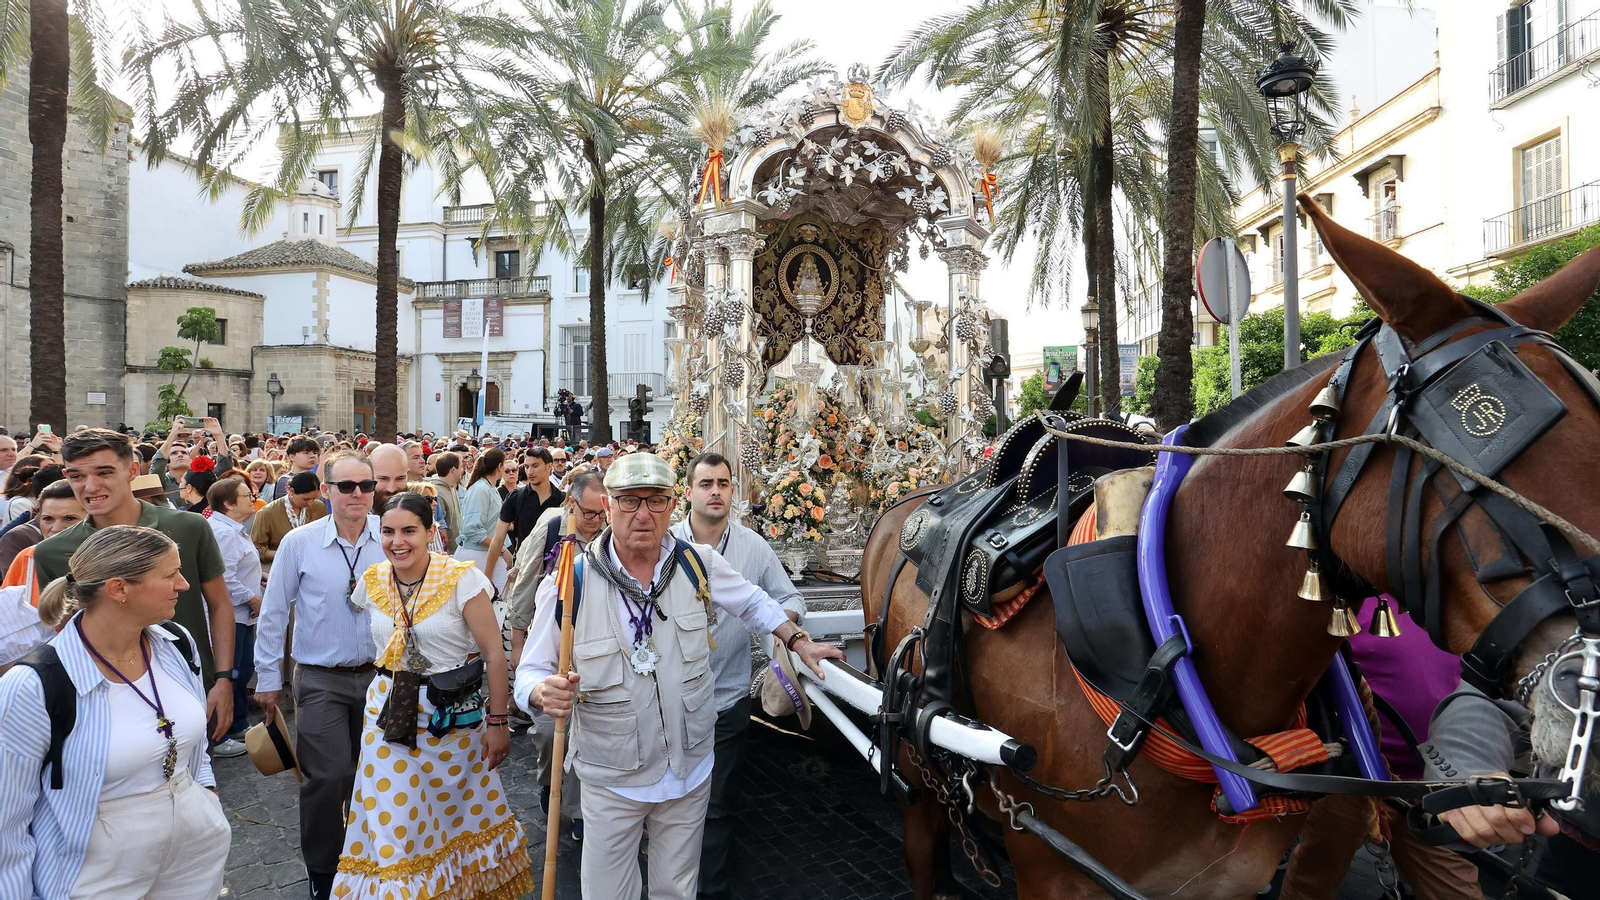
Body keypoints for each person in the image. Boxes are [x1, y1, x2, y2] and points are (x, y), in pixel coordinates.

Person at [515, 453, 843, 900]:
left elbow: (754, 602)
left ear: (673, 505)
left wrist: (799, 641)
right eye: (629, 501)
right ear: (608, 506)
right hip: (612, 776)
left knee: (678, 890)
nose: (643, 514)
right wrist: (539, 691)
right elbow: (530, 671)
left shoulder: (697, 564)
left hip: (690, 768)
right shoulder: (570, 582)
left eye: (656, 501)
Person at [0, 526, 232, 898]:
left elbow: (191, 740)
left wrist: (203, 792)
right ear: (119, 588)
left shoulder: (176, 644)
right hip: (96, 875)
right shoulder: (33, 686)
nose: (184, 584)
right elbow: (7, 824)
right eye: (170, 575)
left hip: (195, 859)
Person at [332, 492, 532, 900]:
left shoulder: (461, 579)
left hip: (450, 719)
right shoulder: (372, 581)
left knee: (454, 821)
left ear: (430, 532)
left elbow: (494, 655)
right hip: (388, 714)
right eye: (388, 532)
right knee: (396, 820)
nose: (397, 542)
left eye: (409, 530)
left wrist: (498, 722)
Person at [35, 429, 235, 740]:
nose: (90, 486)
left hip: (191, 682)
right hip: (106, 701)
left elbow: (219, 603)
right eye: (77, 476)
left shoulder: (189, 527)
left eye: (104, 472)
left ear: (131, 471)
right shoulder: (51, 552)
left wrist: (223, 678)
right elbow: (69, 632)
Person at [668, 452, 805, 900]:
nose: (715, 492)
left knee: (719, 805)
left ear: (733, 491)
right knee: (667, 800)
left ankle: (712, 890)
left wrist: (779, 625)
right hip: (668, 699)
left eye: (723, 484)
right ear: (688, 491)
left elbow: (789, 598)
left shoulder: (752, 547)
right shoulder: (666, 544)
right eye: (705, 483)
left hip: (726, 698)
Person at [254, 450, 382, 900]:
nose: (357, 494)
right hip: (320, 677)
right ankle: (324, 871)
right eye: (346, 486)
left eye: (366, 485)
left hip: (382, 678)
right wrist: (268, 679)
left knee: (377, 774)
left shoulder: (392, 536)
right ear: (326, 491)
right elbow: (274, 612)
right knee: (328, 778)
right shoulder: (299, 542)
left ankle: (375, 859)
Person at [506, 468, 607, 830]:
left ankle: (580, 811)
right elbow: (524, 584)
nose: (595, 520)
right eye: (589, 512)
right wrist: (518, 643)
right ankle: (550, 782)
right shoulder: (552, 529)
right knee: (551, 731)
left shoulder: (611, 536)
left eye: (602, 512)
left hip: (594, 647)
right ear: (572, 503)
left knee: (590, 729)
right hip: (551, 640)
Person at [207, 477, 263, 758]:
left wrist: (259, 577)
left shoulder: (232, 529)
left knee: (243, 668)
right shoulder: (225, 533)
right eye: (246, 495)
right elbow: (224, 578)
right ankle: (223, 732)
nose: (252, 499)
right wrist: (251, 597)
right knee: (232, 672)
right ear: (228, 504)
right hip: (233, 614)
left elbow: (239, 568)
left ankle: (239, 722)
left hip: (241, 614)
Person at [484, 447, 563, 593]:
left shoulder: (562, 500)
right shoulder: (515, 497)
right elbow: (498, 539)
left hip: (555, 572)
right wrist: (487, 577)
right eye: (526, 466)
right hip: (523, 569)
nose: (530, 471)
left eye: (535, 465)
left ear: (549, 466)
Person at [2, 480, 87, 604]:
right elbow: (7, 609)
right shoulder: (27, 558)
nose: (56, 528)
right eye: (48, 519)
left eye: (69, 518)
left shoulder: (108, 556)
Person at [252, 471, 327, 571]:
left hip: (314, 566)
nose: (310, 503)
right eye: (306, 499)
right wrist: (283, 553)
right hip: (281, 567)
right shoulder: (267, 513)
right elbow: (256, 549)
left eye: (314, 499)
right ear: (291, 491)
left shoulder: (318, 507)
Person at [458, 449, 509, 592]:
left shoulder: (488, 487)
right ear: (500, 466)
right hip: (478, 554)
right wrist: (502, 549)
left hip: (487, 553)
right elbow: (471, 528)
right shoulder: (480, 488)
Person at [424, 452, 464, 552]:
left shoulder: (452, 488)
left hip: (456, 549)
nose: (463, 470)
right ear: (453, 470)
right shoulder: (436, 492)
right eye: (461, 467)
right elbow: (439, 523)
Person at [368, 443, 411, 510]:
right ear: (369, 475)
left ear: (407, 476)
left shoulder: (419, 513)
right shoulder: (355, 513)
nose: (391, 489)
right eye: (383, 479)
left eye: (399, 479)